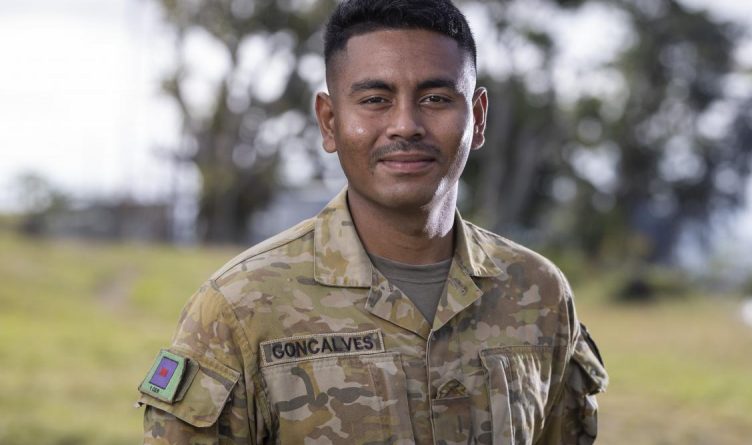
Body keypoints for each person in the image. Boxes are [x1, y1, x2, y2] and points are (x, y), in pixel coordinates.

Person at [136, 0, 608, 443]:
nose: (405, 124)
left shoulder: (539, 293)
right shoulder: (239, 307)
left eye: (437, 98)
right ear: (328, 121)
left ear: (478, 118)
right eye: (375, 99)